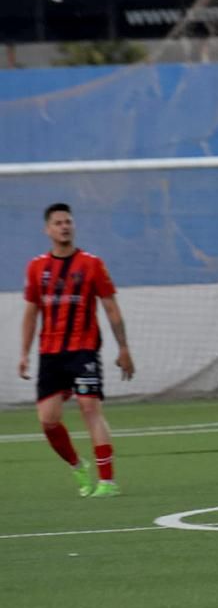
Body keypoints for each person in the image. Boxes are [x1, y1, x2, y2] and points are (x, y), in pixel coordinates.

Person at [19, 203, 134, 498]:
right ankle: (77, 464)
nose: (64, 226)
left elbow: (111, 307)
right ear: (48, 229)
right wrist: (24, 353)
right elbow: (31, 313)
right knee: (48, 419)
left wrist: (123, 348)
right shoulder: (37, 268)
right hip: (50, 353)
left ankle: (107, 481)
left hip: (83, 350)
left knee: (89, 408)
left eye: (68, 221)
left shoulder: (92, 264)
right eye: (58, 223)